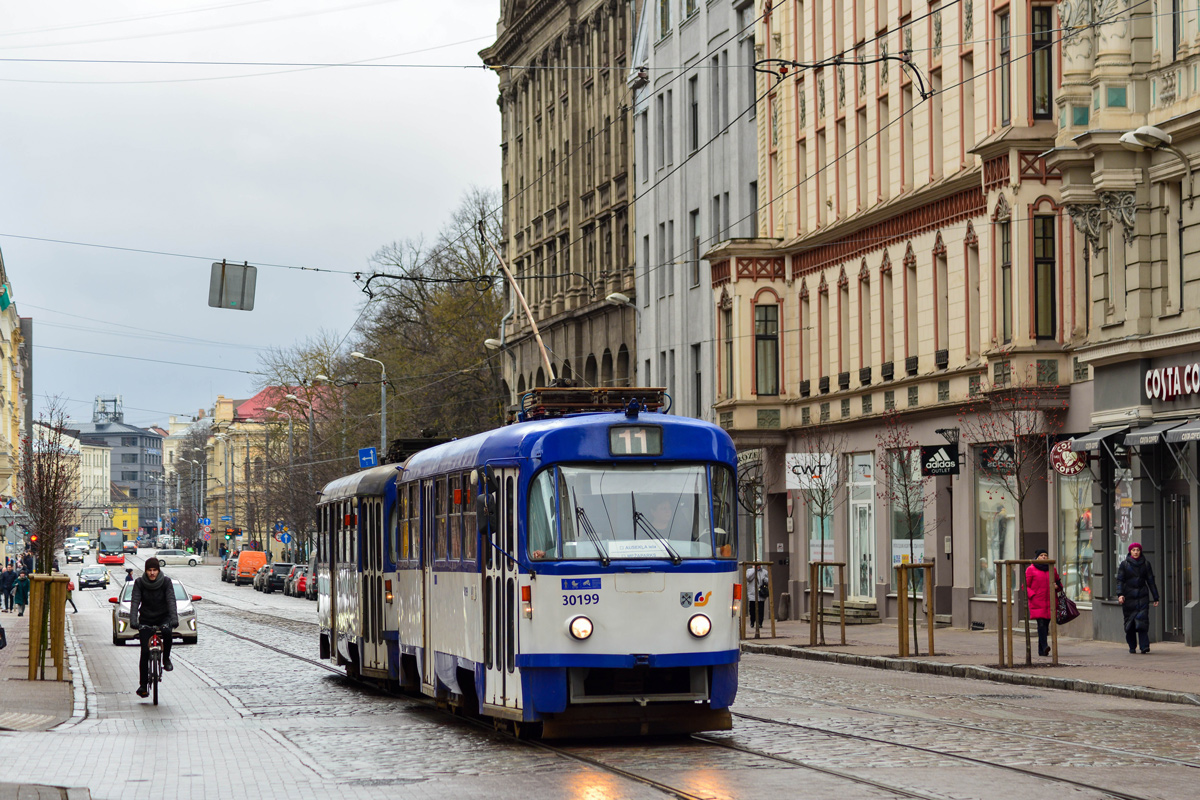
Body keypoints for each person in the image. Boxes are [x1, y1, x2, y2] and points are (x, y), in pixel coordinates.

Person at [128, 557, 178, 698]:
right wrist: (133, 620)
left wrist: (174, 618)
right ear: (145, 571)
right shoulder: (139, 583)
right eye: (149, 570)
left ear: (158, 570)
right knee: (144, 651)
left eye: (154, 570)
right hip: (146, 618)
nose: (152, 573)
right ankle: (143, 685)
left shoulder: (166, 582)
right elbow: (135, 601)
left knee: (167, 632)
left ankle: (166, 659)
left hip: (163, 616)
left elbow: (171, 600)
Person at [1117, 542, 1160, 654]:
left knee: (1142, 622)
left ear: (1140, 551)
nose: (1136, 552)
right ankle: (1132, 646)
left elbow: (1151, 581)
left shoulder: (1146, 564)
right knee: (1130, 624)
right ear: (1130, 551)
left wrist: (1156, 597)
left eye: (1137, 550)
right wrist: (1120, 594)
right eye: (1133, 550)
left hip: (1142, 597)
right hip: (1129, 598)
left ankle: (1144, 646)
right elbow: (1120, 581)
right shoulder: (1124, 564)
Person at [1025, 549, 1059, 657]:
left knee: (1046, 625)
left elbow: (1058, 582)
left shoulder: (1052, 569)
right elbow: (1025, 586)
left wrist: (1057, 587)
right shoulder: (1031, 569)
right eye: (1041, 555)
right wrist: (1033, 596)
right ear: (1037, 557)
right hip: (1037, 602)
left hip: (1050, 602)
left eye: (1045, 555)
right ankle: (1044, 646)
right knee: (1041, 624)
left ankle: (1041, 650)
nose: (1044, 557)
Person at [745, 564, 769, 628]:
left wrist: (765, 579)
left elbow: (768, 581)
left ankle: (760, 623)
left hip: (761, 593)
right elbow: (748, 578)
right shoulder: (749, 571)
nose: (758, 566)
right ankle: (752, 622)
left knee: (761, 609)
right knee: (752, 609)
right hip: (752, 593)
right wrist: (754, 570)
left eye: (759, 565)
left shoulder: (764, 572)